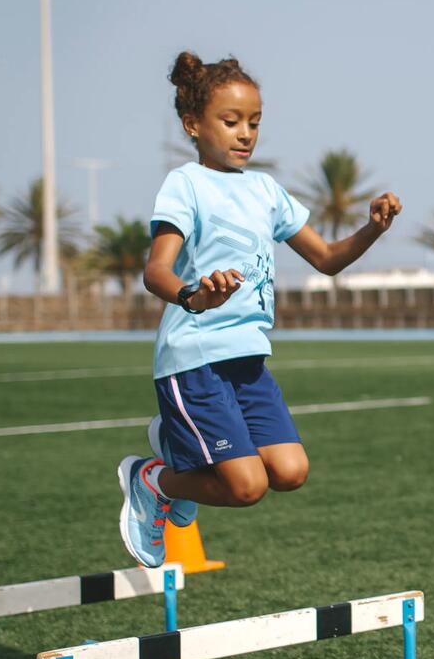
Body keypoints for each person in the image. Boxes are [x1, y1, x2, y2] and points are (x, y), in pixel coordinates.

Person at [116, 51, 402, 567]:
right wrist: (194, 296)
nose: (245, 133)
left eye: (254, 122)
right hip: (195, 357)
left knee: (290, 472)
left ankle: (176, 445)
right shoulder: (186, 184)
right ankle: (153, 479)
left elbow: (328, 259)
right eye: (230, 122)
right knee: (247, 488)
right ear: (192, 124)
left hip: (248, 360)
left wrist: (373, 230)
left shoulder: (266, 191)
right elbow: (155, 271)